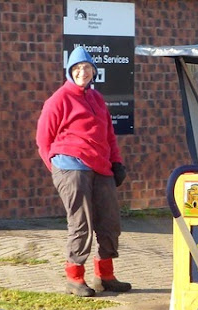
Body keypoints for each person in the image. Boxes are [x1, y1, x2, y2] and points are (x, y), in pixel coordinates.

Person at [36, 46, 131, 297]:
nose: (82, 72)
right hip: (71, 166)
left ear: (93, 71)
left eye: (86, 68)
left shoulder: (97, 99)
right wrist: (57, 168)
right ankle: (75, 278)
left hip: (101, 166)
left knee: (110, 221)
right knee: (81, 223)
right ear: (70, 71)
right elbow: (43, 140)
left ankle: (105, 276)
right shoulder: (59, 99)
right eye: (77, 68)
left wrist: (116, 162)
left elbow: (109, 135)